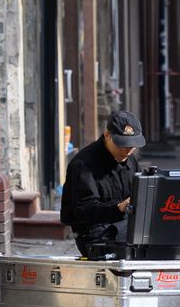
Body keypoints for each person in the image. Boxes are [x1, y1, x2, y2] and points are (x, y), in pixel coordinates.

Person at [60, 110, 145, 258]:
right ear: (107, 135)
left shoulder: (130, 159)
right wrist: (118, 208)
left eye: (133, 146)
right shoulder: (83, 164)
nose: (128, 151)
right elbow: (83, 210)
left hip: (125, 228)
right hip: (94, 234)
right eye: (123, 145)